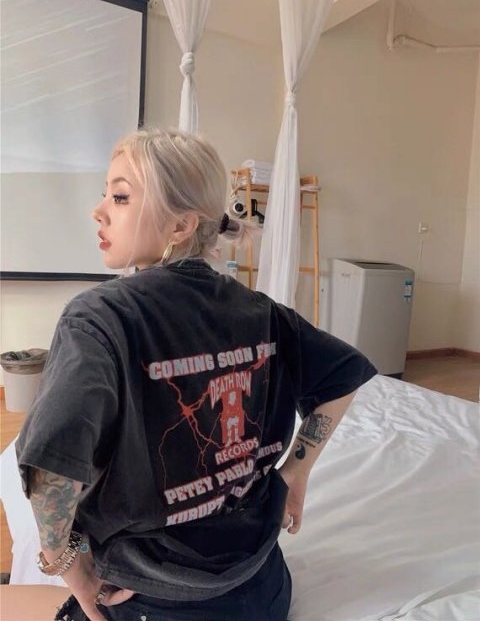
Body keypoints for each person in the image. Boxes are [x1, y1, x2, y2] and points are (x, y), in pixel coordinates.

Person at [16, 129, 377, 621]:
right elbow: (342, 377)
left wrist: (69, 567)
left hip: (150, 601)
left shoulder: (100, 318)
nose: (97, 211)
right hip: (263, 588)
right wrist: (296, 472)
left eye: (120, 197)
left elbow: (51, 466)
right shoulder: (261, 311)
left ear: (181, 225)